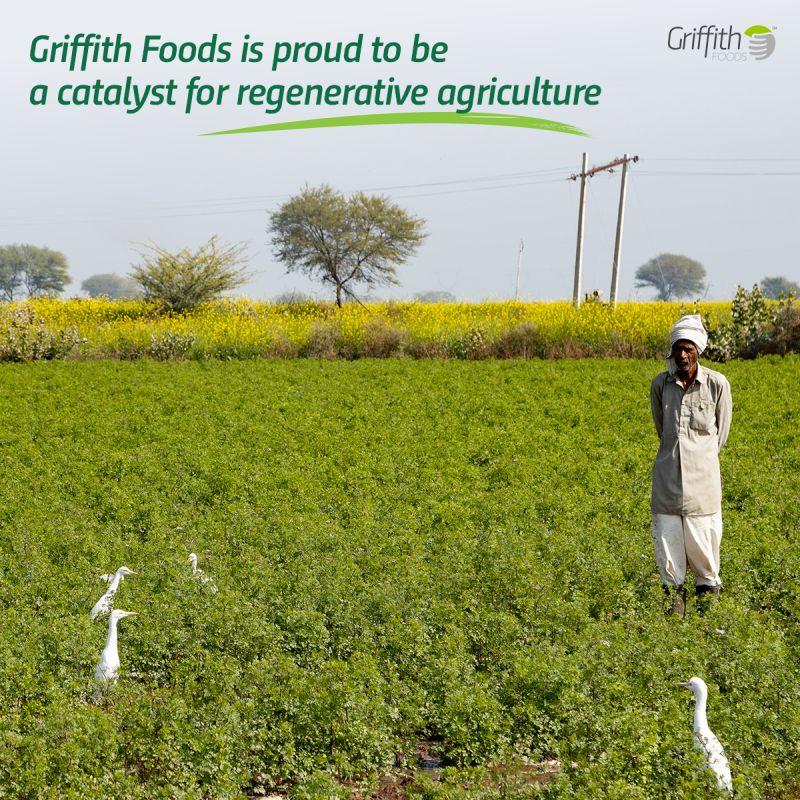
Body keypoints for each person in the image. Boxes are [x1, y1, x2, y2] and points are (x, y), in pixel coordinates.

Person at [649, 315, 732, 617]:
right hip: (667, 484)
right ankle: (674, 622)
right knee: (669, 556)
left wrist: (699, 456)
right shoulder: (660, 384)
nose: (682, 355)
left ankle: (707, 622)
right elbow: (663, 431)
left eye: (688, 349)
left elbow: (720, 434)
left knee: (705, 557)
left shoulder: (716, 384)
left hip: (703, 488)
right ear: (671, 351)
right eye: (677, 349)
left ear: (698, 350)